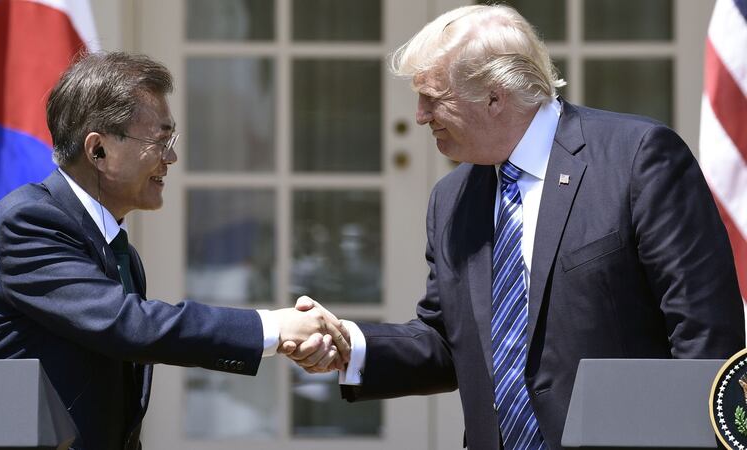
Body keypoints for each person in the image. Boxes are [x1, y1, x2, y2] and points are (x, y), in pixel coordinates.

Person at [285, 4, 745, 450]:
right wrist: (350, 346)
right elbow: (449, 343)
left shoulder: (637, 158)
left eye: (433, 98)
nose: (420, 116)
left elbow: (704, 331)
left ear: (493, 95)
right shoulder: (452, 199)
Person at [0, 52, 349, 450]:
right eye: (160, 140)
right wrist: (273, 329)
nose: (171, 158)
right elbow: (129, 325)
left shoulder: (121, 253)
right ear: (98, 151)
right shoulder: (28, 222)